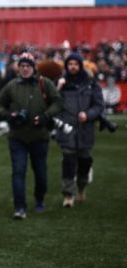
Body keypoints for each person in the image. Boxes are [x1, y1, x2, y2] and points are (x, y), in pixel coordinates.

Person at [0, 53, 63, 219]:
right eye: (22, 66)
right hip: (17, 137)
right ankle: (19, 207)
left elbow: (58, 102)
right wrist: (10, 115)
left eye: (28, 66)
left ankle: (39, 199)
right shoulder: (11, 86)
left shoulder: (44, 83)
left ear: (33, 68)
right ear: (18, 68)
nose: (25, 69)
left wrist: (45, 116)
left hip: (39, 136)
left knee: (40, 172)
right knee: (18, 171)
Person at [54, 52, 104, 208]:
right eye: (70, 64)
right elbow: (51, 104)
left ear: (80, 65)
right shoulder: (61, 83)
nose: (73, 67)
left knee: (85, 162)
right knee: (68, 162)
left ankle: (81, 187)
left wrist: (88, 115)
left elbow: (99, 105)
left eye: (76, 64)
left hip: (85, 130)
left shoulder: (91, 83)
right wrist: (58, 88)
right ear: (66, 66)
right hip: (67, 130)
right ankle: (68, 194)